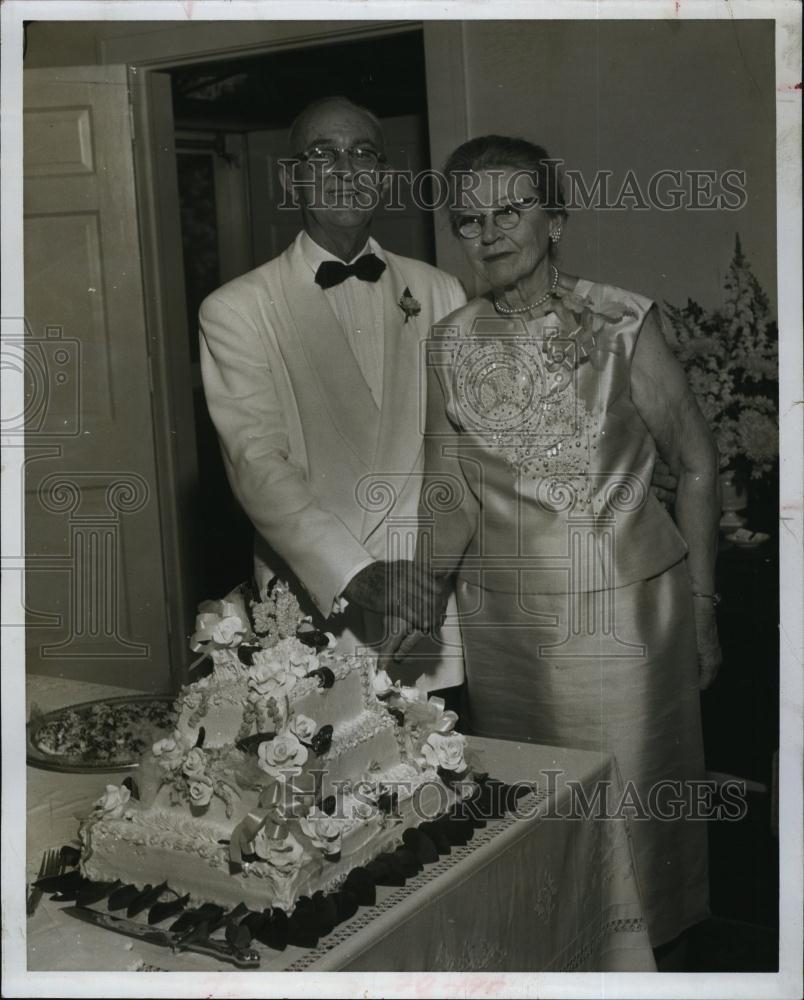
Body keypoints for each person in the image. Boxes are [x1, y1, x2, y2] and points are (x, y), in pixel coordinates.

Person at [389, 134, 722, 952]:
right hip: (507, 639)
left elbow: (699, 463)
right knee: (537, 842)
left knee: (633, 843)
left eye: (511, 209)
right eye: (469, 220)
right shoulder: (449, 343)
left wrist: (707, 607)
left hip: (625, 626)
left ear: (556, 219)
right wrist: (415, 602)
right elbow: (450, 493)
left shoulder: (621, 322)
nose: (491, 232)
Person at [198, 96, 466, 690]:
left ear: (384, 175)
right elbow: (257, 464)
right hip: (316, 605)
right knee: (315, 771)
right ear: (290, 176)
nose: (345, 171)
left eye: (363, 154)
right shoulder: (238, 308)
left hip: (426, 610)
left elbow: (465, 456)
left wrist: (432, 574)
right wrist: (356, 571)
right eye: (322, 154)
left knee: (450, 772)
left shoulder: (440, 289)